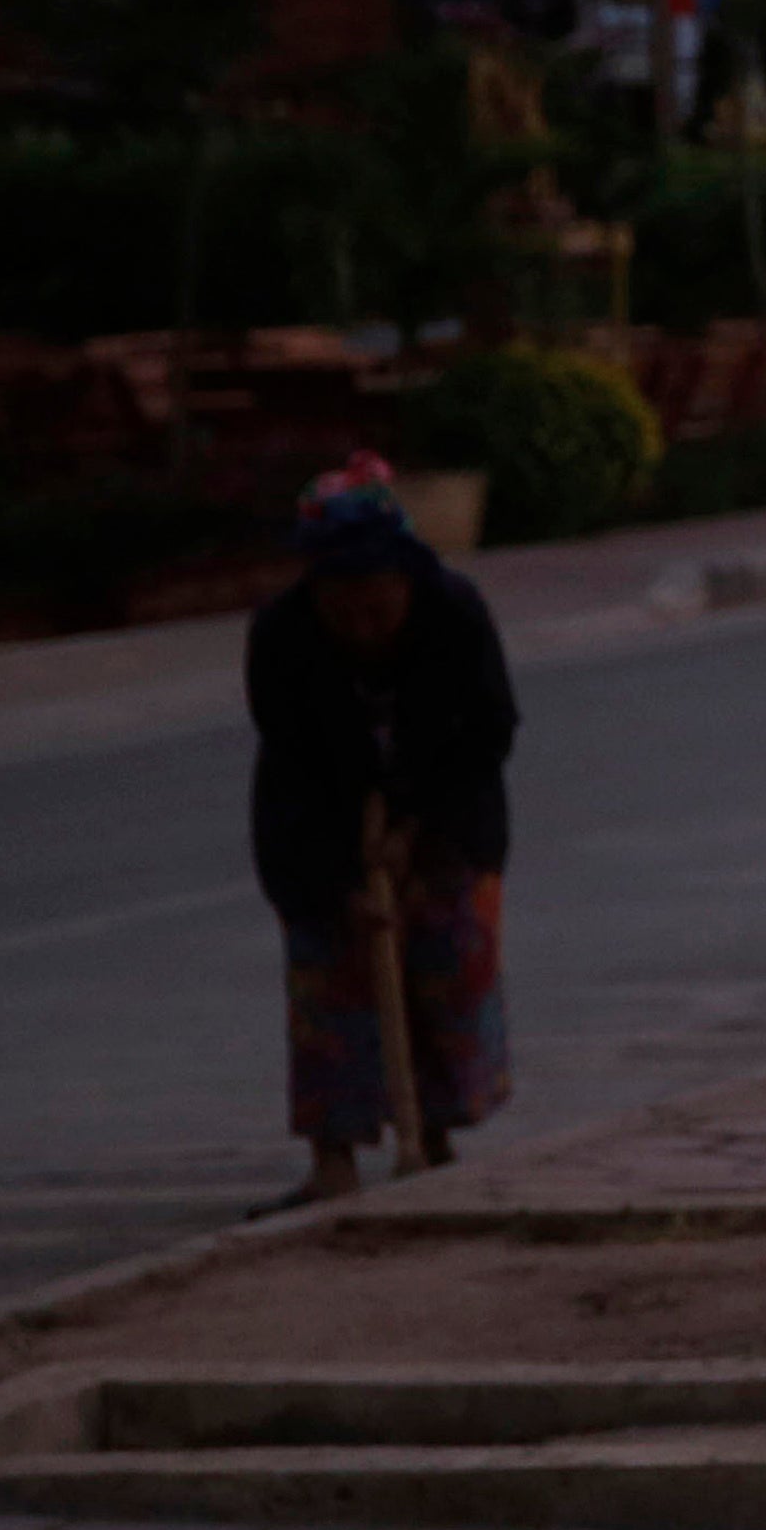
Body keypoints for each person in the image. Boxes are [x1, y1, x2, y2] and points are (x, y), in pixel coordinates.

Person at [244, 454, 518, 1209]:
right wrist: (341, 882)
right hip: (321, 819)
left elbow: (485, 732)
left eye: (378, 606)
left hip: (448, 812)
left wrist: (415, 830)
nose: (362, 626)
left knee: (444, 962)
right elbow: (295, 765)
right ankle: (333, 1156)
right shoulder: (283, 637)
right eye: (344, 608)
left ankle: (432, 1134)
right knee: (329, 979)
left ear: (406, 580)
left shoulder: (454, 614)